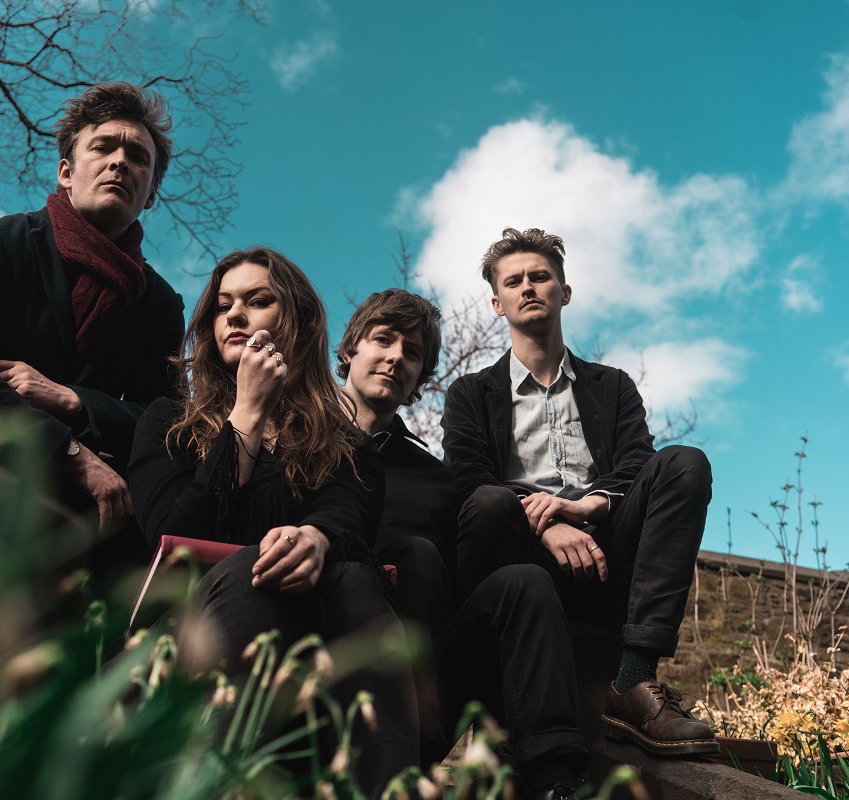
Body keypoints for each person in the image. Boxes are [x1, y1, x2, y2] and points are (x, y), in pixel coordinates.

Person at [127, 248, 415, 798]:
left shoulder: (348, 443)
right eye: (223, 305)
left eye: (259, 301)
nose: (235, 315)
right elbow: (176, 538)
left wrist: (315, 537)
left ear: (300, 323)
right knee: (249, 570)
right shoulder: (168, 425)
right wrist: (247, 416)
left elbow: (350, 510)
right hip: (185, 646)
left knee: (355, 575)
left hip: (310, 656)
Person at [441, 228, 718, 758]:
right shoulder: (472, 393)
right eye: (514, 281)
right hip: (520, 560)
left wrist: (588, 504)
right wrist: (545, 521)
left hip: (605, 552)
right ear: (497, 303)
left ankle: (633, 682)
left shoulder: (610, 385)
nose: (528, 287)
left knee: (685, 464)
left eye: (540, 277)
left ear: (563, 292)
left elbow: (638, 459)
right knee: (488, 503)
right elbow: (468, 477)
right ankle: (500, 705)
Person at [0, 82, 185, 535]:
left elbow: (164, 422)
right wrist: (67, 449)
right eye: (103, 147)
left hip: (78, 492)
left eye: (138, 157)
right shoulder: (0, 241)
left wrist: (74, 401)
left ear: (149, 194)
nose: (119, 162)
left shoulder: (160, 303)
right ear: (66, 172)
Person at [338, 289, 588, 799]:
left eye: (412, 354)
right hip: (325, 658)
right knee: (414, 556)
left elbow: (460, 587)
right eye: (382, 341)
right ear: (349, 351)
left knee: (522, 582)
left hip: (424, 687)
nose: (394, 358)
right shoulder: (293, 435)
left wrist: (552, 520)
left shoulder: (436, 480)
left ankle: (552, 782)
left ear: (418, 382)